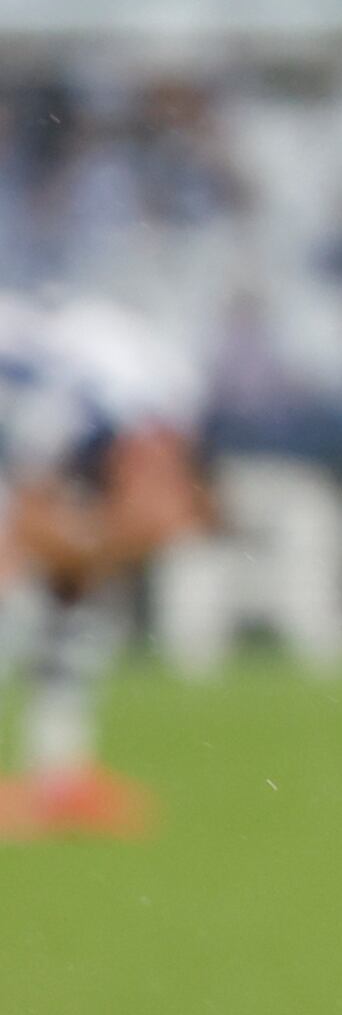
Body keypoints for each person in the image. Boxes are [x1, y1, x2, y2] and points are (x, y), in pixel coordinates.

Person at [0, 290, 207, 842]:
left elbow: (156, 517)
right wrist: (99, 540)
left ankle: (60, 780)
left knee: (75, 595)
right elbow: (27, 526)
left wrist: (98, 543)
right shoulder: (77, 409)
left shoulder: (166, 396)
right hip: (34, 413)